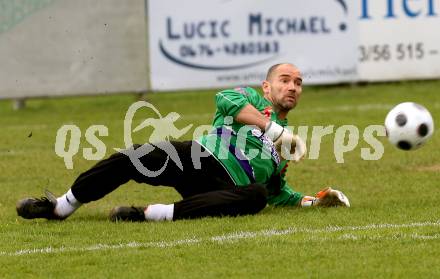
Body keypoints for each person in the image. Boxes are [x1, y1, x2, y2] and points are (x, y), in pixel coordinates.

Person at [16, 63, 350, 222]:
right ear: (266, 87)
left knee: (258, 195)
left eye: (299, 83)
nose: (293, 87)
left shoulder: (289, 146)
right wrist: (274, 131)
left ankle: (146, 215)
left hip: (223, 189)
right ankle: (61, 206)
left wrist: (314, 202)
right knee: (133, 156)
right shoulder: (249, 98)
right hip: (198, 156)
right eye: (285, 80)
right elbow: (225, 100)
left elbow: (279, 192)